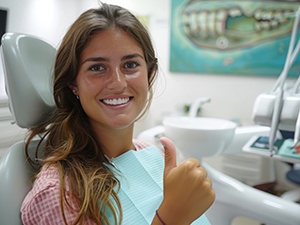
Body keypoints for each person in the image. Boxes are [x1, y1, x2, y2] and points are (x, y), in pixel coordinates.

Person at [21, 3, 215, 225]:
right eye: (97, 68)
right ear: (73, 83)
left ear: (149, 74)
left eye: (130, 64)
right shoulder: (57, 193)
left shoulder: (152, 155)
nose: (118, 82)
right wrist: (170, 217)